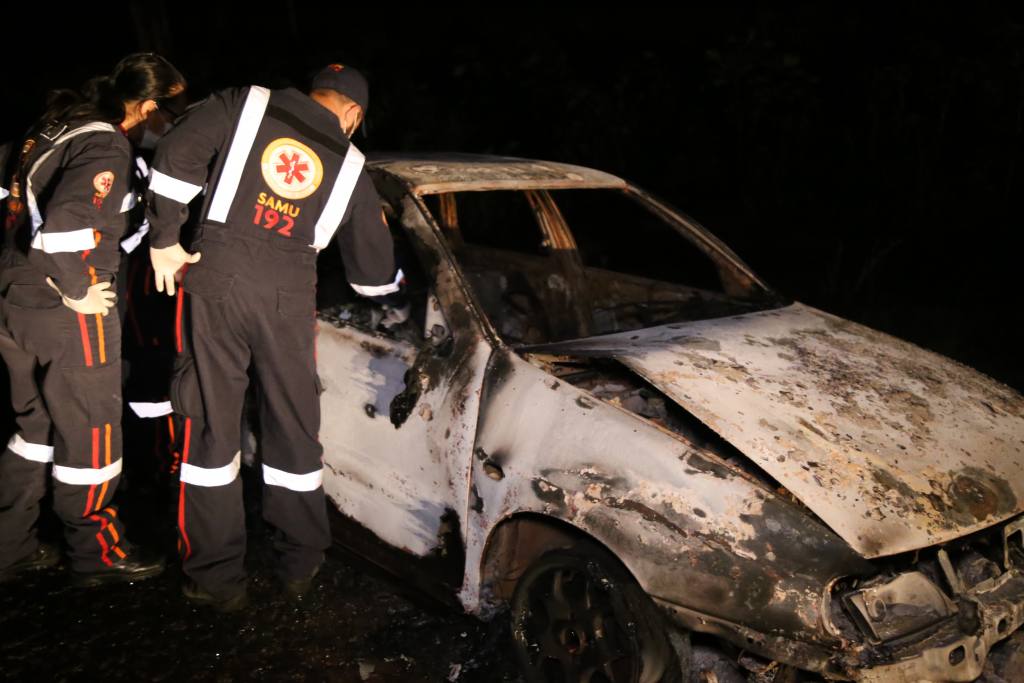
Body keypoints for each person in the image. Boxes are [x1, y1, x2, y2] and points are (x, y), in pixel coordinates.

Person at [146, 63, 402, 610]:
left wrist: (165, 235)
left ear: (314, 92)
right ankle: (300, 564)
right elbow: (372, 277)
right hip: (288, 297)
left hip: (216, 278)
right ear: (353, 113)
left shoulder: (245, 101)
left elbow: (174, 155)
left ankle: (215, 581)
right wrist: (394, 282)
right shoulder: (352, 163)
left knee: (211, 426)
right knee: (292, 426)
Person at [0, 53, 186, 585]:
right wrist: (78, 290)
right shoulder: (105, 142)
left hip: (15, 299)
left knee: (33, 430)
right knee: (92, 435)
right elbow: (60, 229)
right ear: (149, 106)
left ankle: (9, 546)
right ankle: (96, 551)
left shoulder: (54, 126)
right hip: (66, 310)